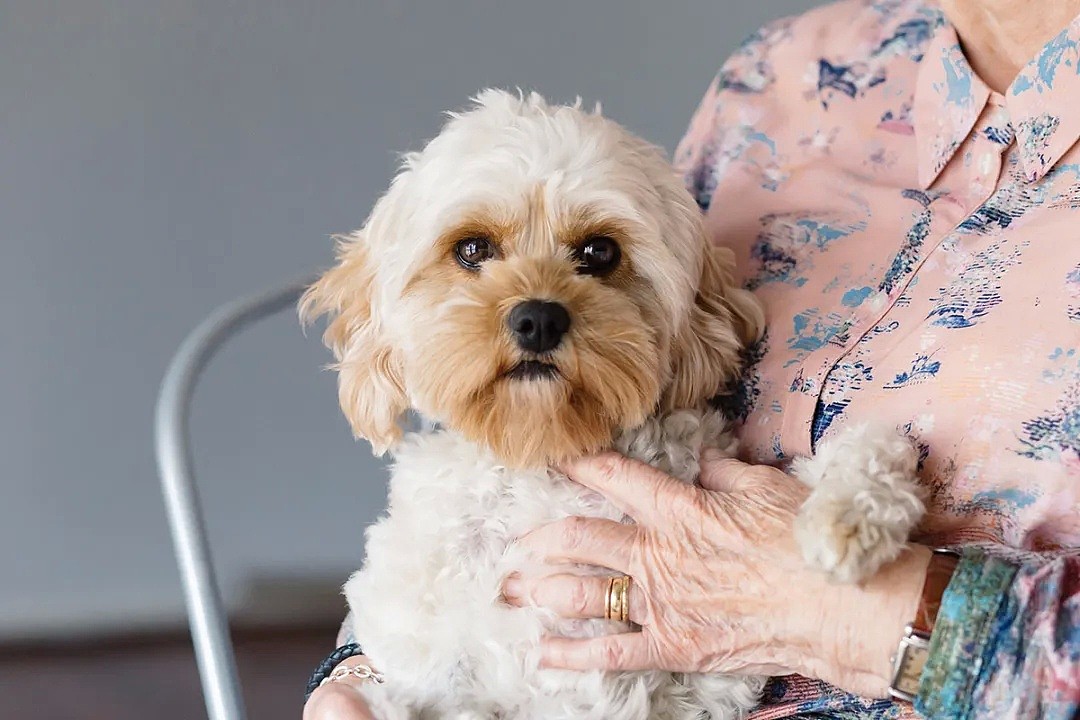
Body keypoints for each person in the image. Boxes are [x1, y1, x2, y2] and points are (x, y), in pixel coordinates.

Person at [304, 0, 1080, 717]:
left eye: (591, 253)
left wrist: (849, 612)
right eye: (477, 250)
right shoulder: (784, 70)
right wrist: (360, 679)